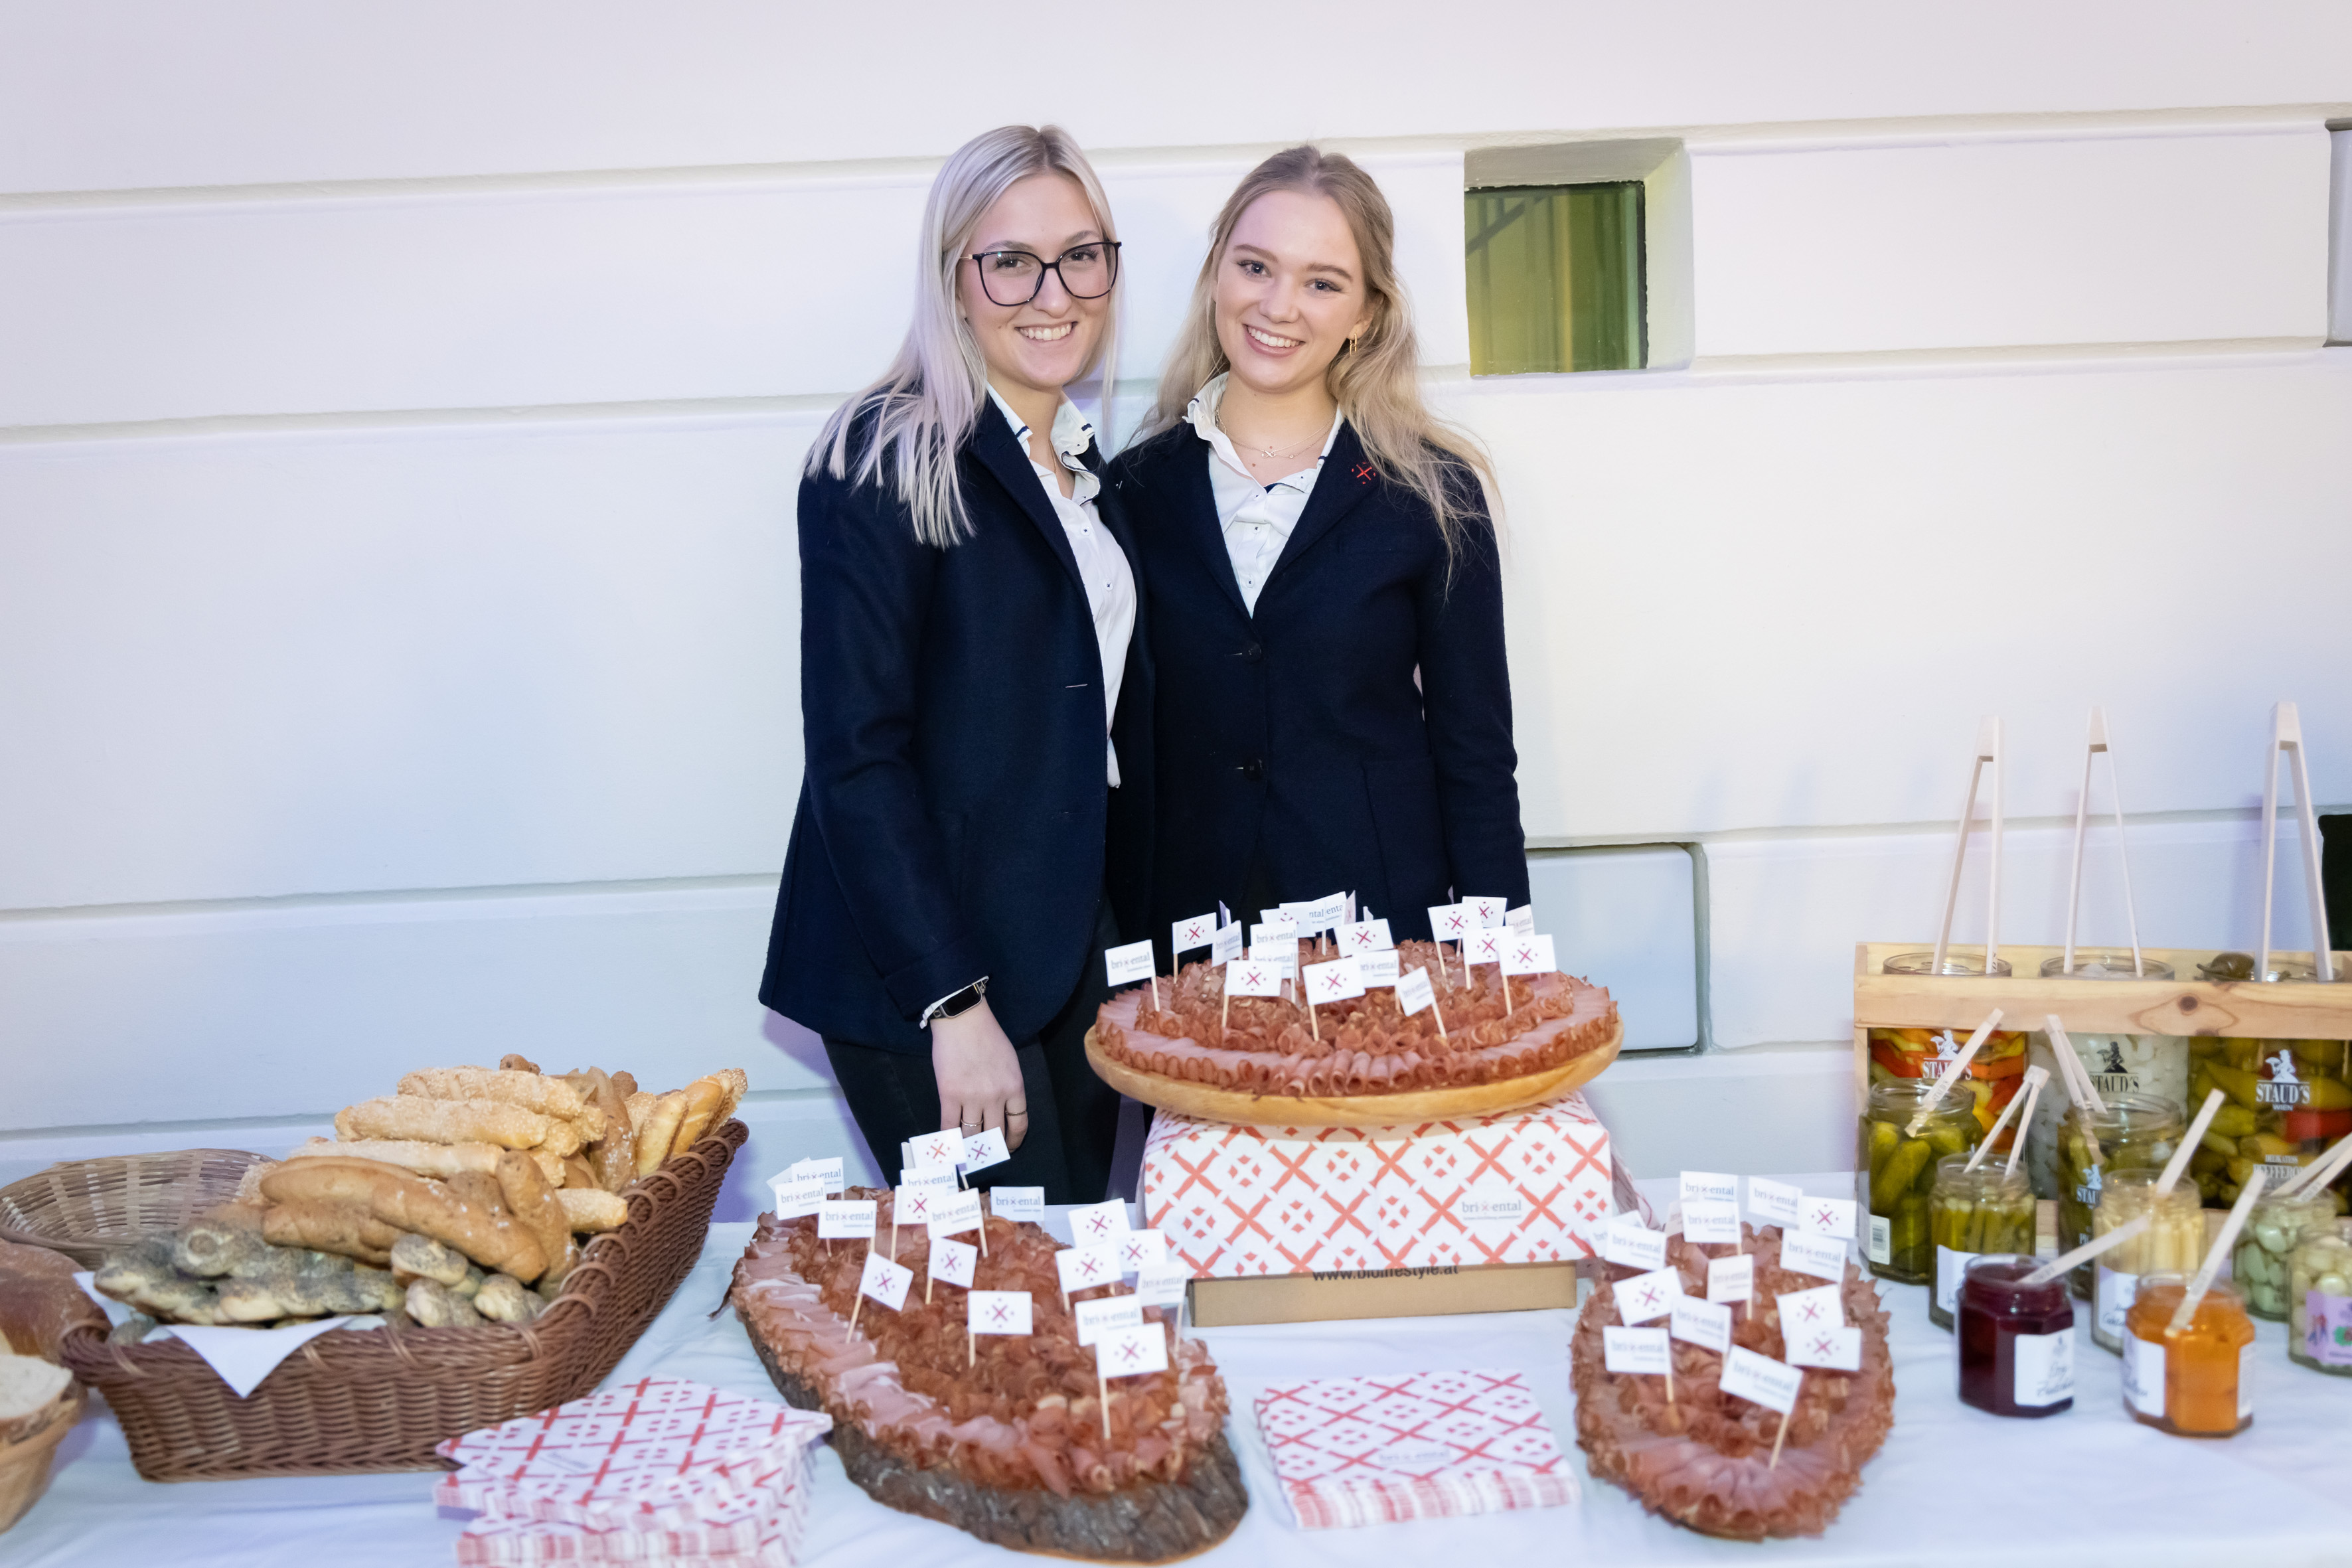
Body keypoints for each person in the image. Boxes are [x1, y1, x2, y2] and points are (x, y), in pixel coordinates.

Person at [760, 125, 1148, 1202]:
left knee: (1073, 1261)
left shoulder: (1084, 470)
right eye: (1010, 260)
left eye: (1080, 256)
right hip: (931, 972)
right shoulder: (885, 453)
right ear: (953, 279)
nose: (1052, 293)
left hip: (1068, 946)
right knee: (1003, 1281)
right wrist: (952, 1001)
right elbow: (856, 754)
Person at [1109, 145, 1526, 956]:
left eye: (1323, 283)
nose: (1279, 306)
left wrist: (1498, 968)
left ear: (1366, 313)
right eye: (1255, 266)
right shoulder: (1132, 491)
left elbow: (1475, 756)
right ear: (1218, 275)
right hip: (1192, 950)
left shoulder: (1433, 496)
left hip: (1382, 944)